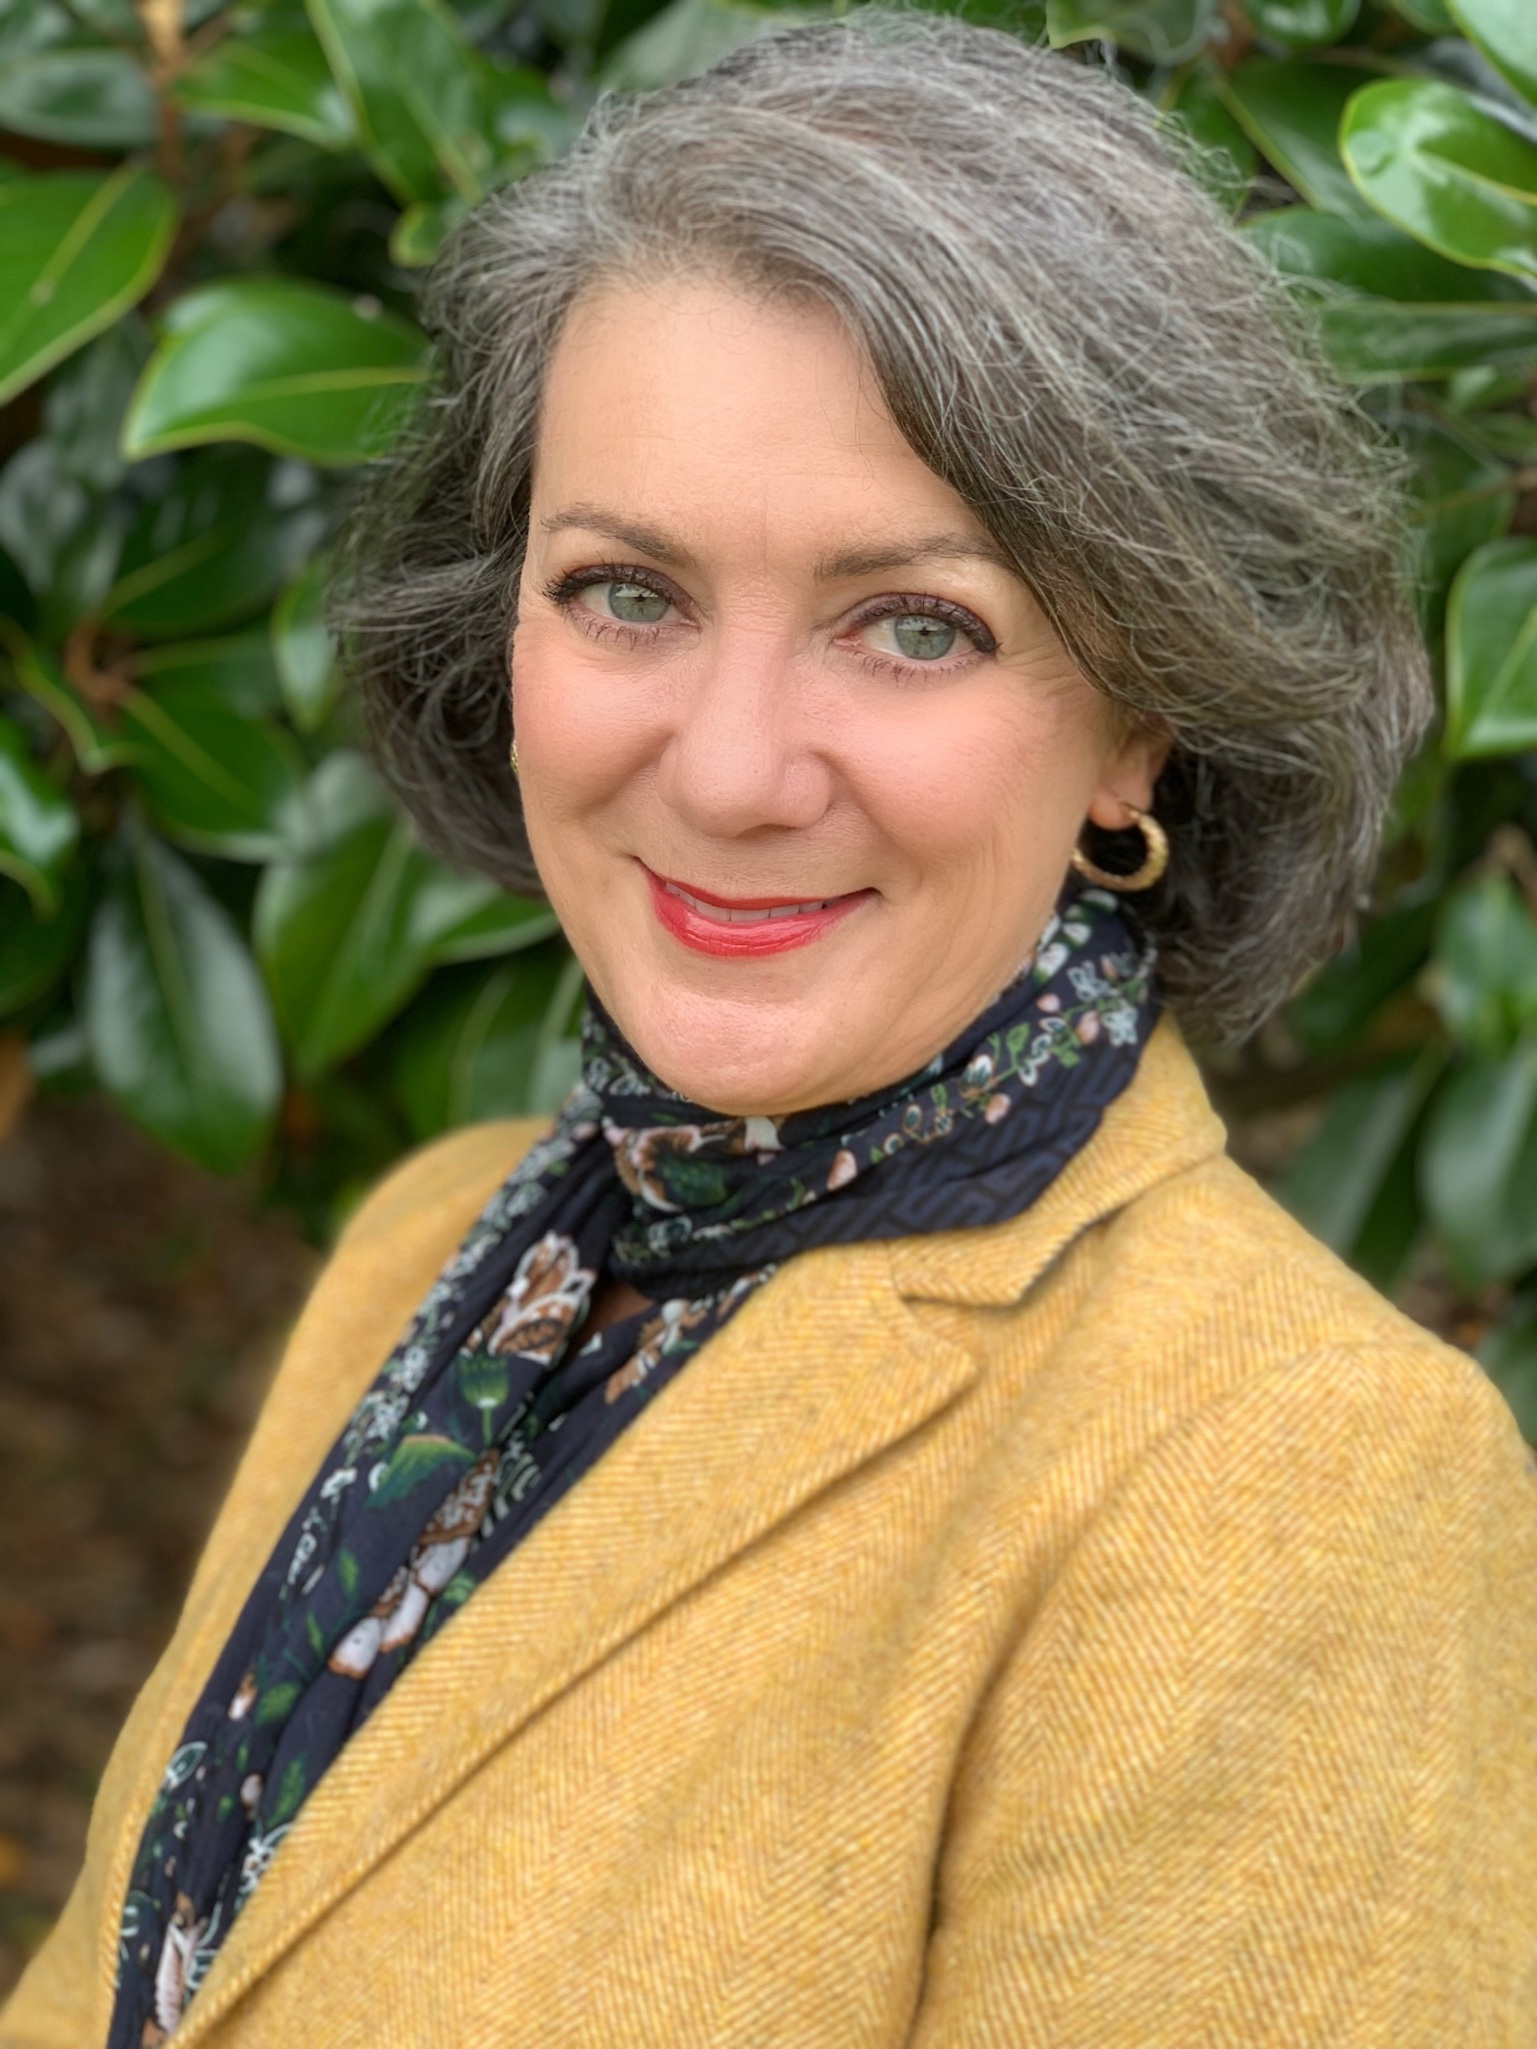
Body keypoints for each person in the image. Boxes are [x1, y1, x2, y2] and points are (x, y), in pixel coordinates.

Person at [7, 13, 1535, 2047]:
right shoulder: (448, 1244)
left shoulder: (1292, 1480)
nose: (728, 769)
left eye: (915, 623)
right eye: (626, 590)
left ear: (1139, 712)